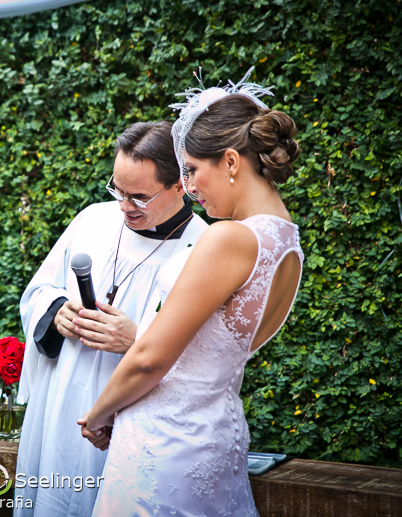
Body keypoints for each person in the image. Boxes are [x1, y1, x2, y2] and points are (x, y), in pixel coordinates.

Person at [80, 70, 304, 516]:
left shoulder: (228, 239)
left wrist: (98, 414)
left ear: (231, 161)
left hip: (162, 442)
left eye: (193, 170)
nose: (191, 186)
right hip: (216, 436)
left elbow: (151, 357)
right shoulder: (289, 245)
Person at [15, 122, 209, 516]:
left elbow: (209, 354)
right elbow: (38, 292)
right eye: (117, 191)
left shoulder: (203, 247)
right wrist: (56, 313)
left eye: (138, 196)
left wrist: (138, 338)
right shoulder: (93, 220)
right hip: (61, 400)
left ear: (180, 185)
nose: (124, 207)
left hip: (131, 422)